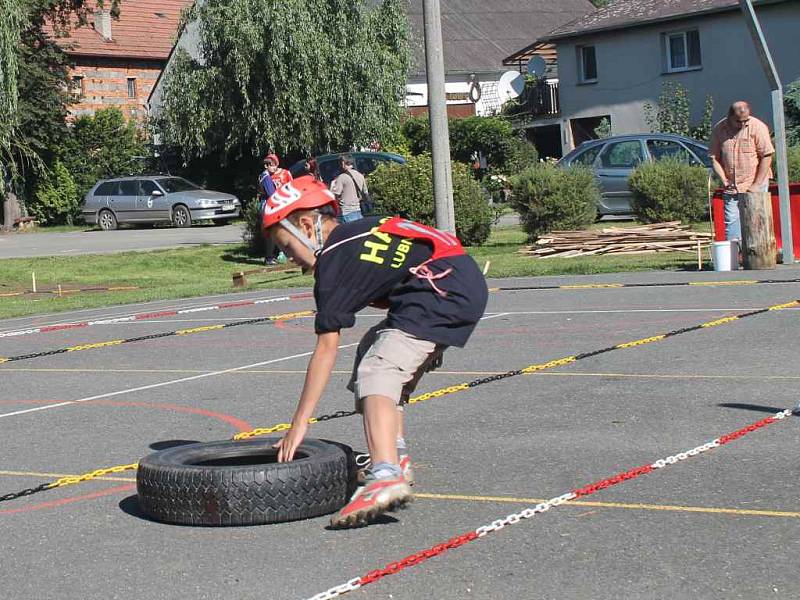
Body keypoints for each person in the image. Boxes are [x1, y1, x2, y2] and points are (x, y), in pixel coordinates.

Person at [262, 176, 488, 528]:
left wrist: (298, 425)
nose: (292, 259)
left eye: (289, 247)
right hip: (455, 280)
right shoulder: (360, 231)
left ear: (307, 225)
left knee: (377, 370)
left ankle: (385, 475)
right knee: (375, 347)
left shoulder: (334, 260)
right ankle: (395, 456)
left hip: (439, 290)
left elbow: (326, 349)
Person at [709, 101, 775, 241]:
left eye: (746, 121)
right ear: (730, 117)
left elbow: (767, 156)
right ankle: (736, 257)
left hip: (755, 182)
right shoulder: (719, 129)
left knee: (757, 223)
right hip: (732, 186)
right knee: (732, 223)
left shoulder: (757, 127)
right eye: (739, 122)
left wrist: (756, 184)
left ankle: (759, 258)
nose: (743, 124)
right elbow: (714, 158)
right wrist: (724, 180)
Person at [330, 154, 367, 223]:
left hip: (346, 213)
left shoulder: (341, 177)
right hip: (358, 211)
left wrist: (332, 186)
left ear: (343, 163)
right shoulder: (360, 176)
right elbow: (365, 193)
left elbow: (334, 196)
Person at [258, 158, 280, 265]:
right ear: (266, 166)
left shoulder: (267, 176)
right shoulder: (265, 177)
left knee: (273, 232)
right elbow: (271, 193)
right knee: (271, 232)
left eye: (275, 165)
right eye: (272, 165)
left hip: (268, 204)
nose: (274, 167)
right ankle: (269, 257)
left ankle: (271, 256)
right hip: (267, 205)